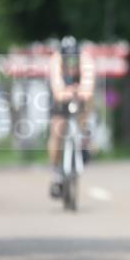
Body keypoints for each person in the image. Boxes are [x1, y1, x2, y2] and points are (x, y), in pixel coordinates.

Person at [47, 36, 95, 197]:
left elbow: (88, 87)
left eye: (74, 58)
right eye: (68, 59)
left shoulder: (86, 61)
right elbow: (57, 89)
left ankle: (84, 137)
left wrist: (80, 93)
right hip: (60, 97)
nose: (71, 63)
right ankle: (55, 172)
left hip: (78, 95)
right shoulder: (55, 61)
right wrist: (67, 92)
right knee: (56, 130)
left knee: (85, 106)